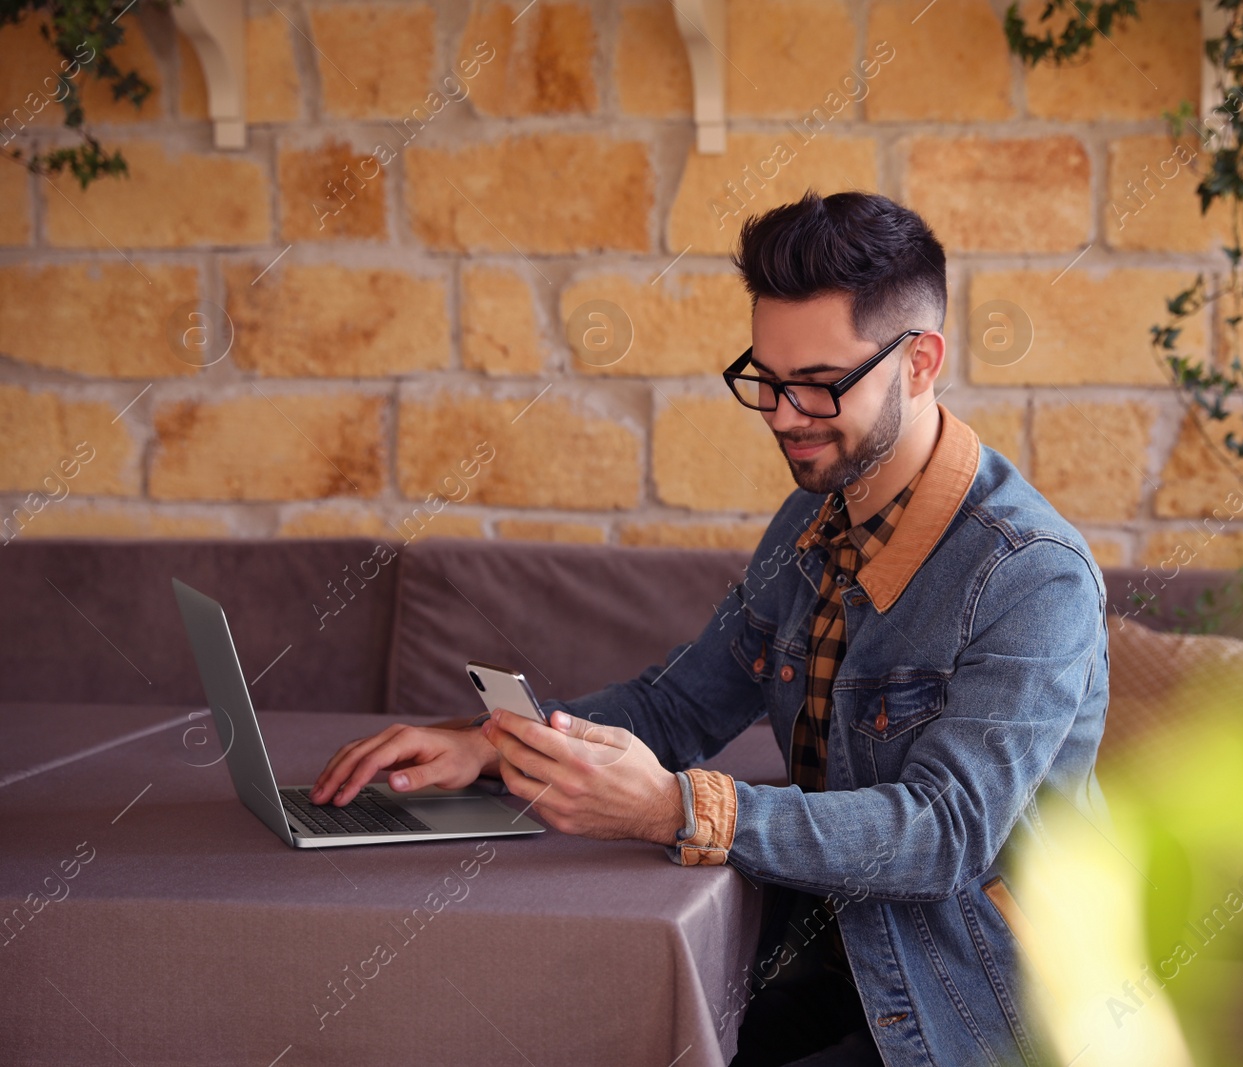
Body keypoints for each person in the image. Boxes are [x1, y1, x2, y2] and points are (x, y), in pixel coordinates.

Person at [311, 190, 1111, 1067]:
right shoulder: (811, 523)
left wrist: (673, 807)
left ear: (920, 363)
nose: (781, 414)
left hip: (969, 1009)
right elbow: (676, 707)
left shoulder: (1030, 572)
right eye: (766, 378)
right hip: (819, 958)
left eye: (817, 385)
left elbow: (944, 833)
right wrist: (493, 745)